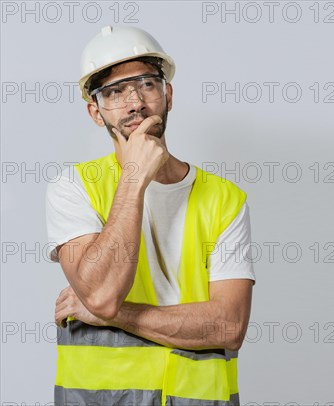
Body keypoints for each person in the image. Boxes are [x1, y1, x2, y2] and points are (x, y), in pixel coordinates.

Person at [45, 25, 255, 405]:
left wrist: (112, 315)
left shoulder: (225, 199)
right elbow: (102, 294)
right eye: (113, 92)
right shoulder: (73, 187)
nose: (134, 102)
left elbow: (229, 325)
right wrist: (134, 178)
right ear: (96, 112)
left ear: (167, 94)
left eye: (145, 84)